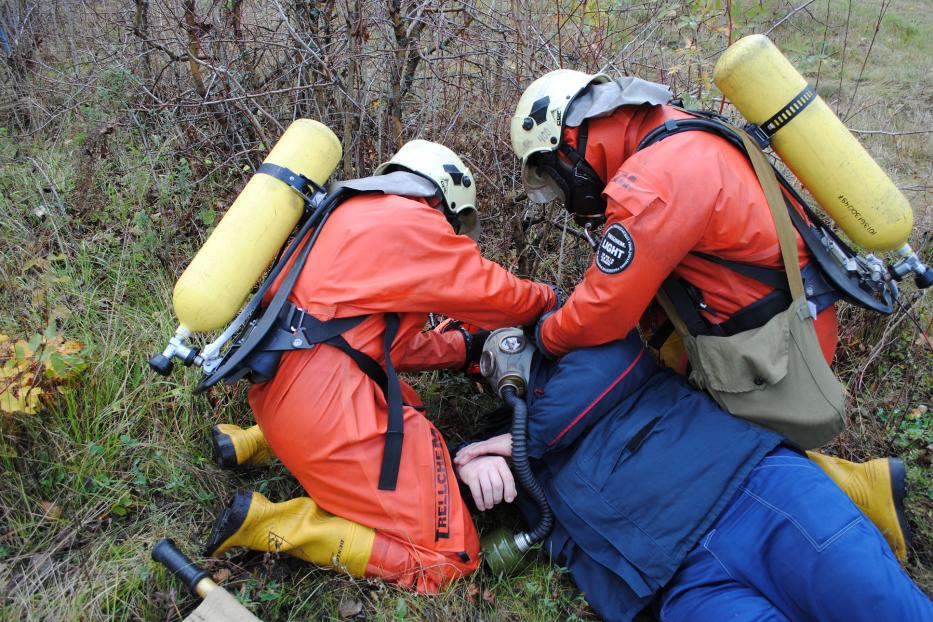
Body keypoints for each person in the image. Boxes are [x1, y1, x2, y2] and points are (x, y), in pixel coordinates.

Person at [507, 69, 911, 560]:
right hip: (784, 318)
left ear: (570, 142)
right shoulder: (677, 128)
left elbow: (603, 311)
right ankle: (843, 482)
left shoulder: (651, 181)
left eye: (553, 175)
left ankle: (861, 499)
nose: (562, 190)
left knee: (708, 459)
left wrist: (546, 336)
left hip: (770, 348)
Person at [202, 140, 558, 591]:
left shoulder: (345, 213)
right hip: (324, 417)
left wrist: (465, 348)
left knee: (405, 402)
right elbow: (500, 296)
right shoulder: (413, 222)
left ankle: (254, 443)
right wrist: (552, 302)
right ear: (444, 199)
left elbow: (390, 348)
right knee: (451, 560)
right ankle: (275, 524)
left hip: (279, 397)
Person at [453, 333, 933, 621]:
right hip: (683, 587)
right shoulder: (499, 442)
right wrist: (469, 463)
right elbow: (426, 487)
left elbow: (609, 367)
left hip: (756, 501)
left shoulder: (593, 346)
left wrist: (524, 439)